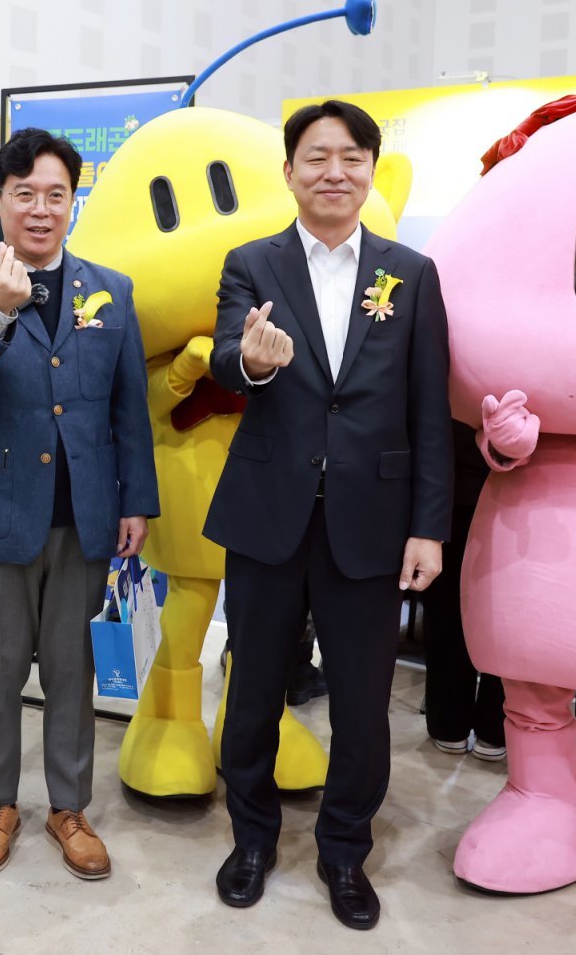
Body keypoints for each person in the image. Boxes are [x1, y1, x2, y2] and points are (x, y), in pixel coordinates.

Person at [203, 100, 452, 929]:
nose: (333, 171)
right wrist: (253, 363)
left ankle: (345, 852)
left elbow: (428, 408)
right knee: (251, 695)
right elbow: (227, 360)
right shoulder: (252, 262)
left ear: (371, 171)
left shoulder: (411, 274)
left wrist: (429, 527)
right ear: (289, 172)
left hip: (372, 524)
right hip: (268, 516)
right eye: (316, 156)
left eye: (350, 157)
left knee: (362, 705)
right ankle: (251, 840)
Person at [0, 127, 157, 881]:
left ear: (73, 202)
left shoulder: (111, 289)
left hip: (86, 515)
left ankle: (69, 807)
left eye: (55, 194)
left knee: (72, 670)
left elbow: (129, 406)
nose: (40, 209)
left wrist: (136, 501)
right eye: (24, 193)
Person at [423, 420, 507, 759]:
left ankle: (450, 724)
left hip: (454, 481)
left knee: (448, 612)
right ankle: (495, 728)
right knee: (504, 616)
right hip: (514, 490)